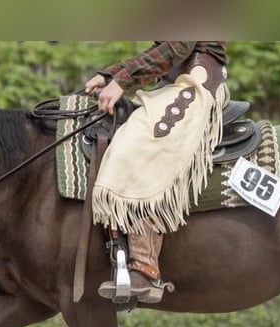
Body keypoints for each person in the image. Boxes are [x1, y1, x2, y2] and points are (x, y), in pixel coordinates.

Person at [84, 41, 229, 304]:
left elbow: (178, 46)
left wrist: (121, 81)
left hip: (194, 83)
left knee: (141, 144)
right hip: (171, 83)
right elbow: (161, 48)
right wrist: (112, 75)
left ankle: (145, 266)